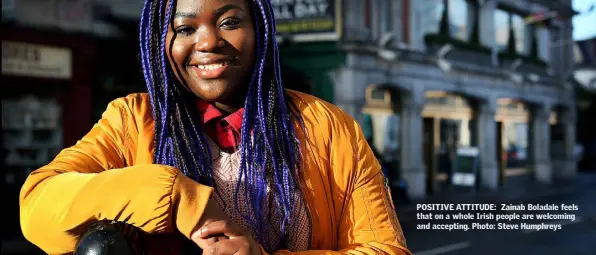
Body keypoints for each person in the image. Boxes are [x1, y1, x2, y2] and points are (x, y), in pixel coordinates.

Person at [19, 0, 411, 254]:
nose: (208, 42)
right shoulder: (131, 121)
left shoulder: (328, 127)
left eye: (229, 21)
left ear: (259, 31)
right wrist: (174, 194)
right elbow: (37, 208)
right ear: (162, 42)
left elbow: (386, 249)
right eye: (185, 29)